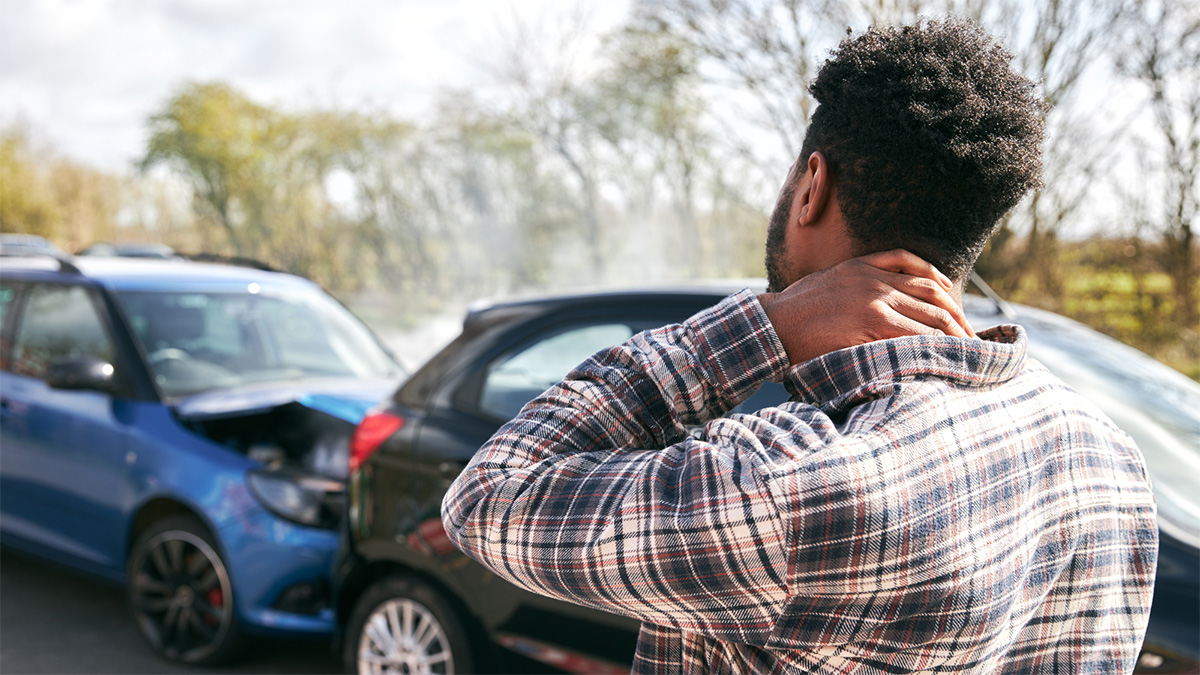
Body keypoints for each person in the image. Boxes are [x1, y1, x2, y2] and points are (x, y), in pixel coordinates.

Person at [442, 17, 1158, 674]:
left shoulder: (785, 485)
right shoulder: (1106, 455)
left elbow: (489, 497)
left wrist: (768, 326)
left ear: (812, 184)